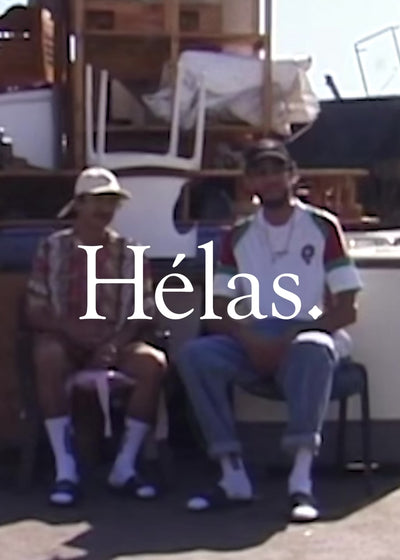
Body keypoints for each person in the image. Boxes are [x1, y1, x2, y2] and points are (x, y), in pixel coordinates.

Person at [177, 138, 363, 521]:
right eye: (260, 172)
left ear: (293, 175)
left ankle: (300, 481)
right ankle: (232, 474)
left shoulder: (322, 226)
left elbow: (347, 308)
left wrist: (288, 337)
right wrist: (251, 339)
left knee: (313, 347)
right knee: (196, 355)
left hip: (308, 333)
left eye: (277, 169)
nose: (270, 179)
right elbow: (218, 309)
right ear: (248, 182)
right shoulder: (237, 236)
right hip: (256, 337)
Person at [26, 167, 167, 506]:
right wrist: (71, 331)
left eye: (111, 202)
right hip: (66, 341)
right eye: (98, 201)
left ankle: (125, 466)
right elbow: (35, 308)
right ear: (79, 204)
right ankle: (65, 469)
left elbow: (143, 310)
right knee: (47, 355)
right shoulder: (52, 248)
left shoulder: (130, 252)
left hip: (115, 343)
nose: (105, 210)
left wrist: (113, 345)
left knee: (152, 363)